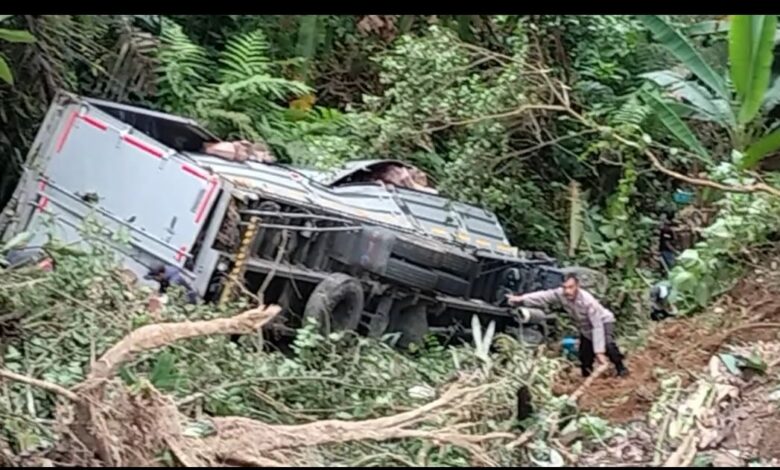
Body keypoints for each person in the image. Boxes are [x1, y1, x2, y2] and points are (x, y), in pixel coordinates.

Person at [506, 273, 629, 378]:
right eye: (564, 287)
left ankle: (621, 368)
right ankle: (587, 378)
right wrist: (521, 299)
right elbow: (543, 296)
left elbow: (597, 326)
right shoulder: (560, 294)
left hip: (602, 321)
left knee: (608, 344)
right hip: (584, 326)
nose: (567, 291)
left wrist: (599, 352)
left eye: (570, 287)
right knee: (584, 355)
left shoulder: (588, 302)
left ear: (577, 287)